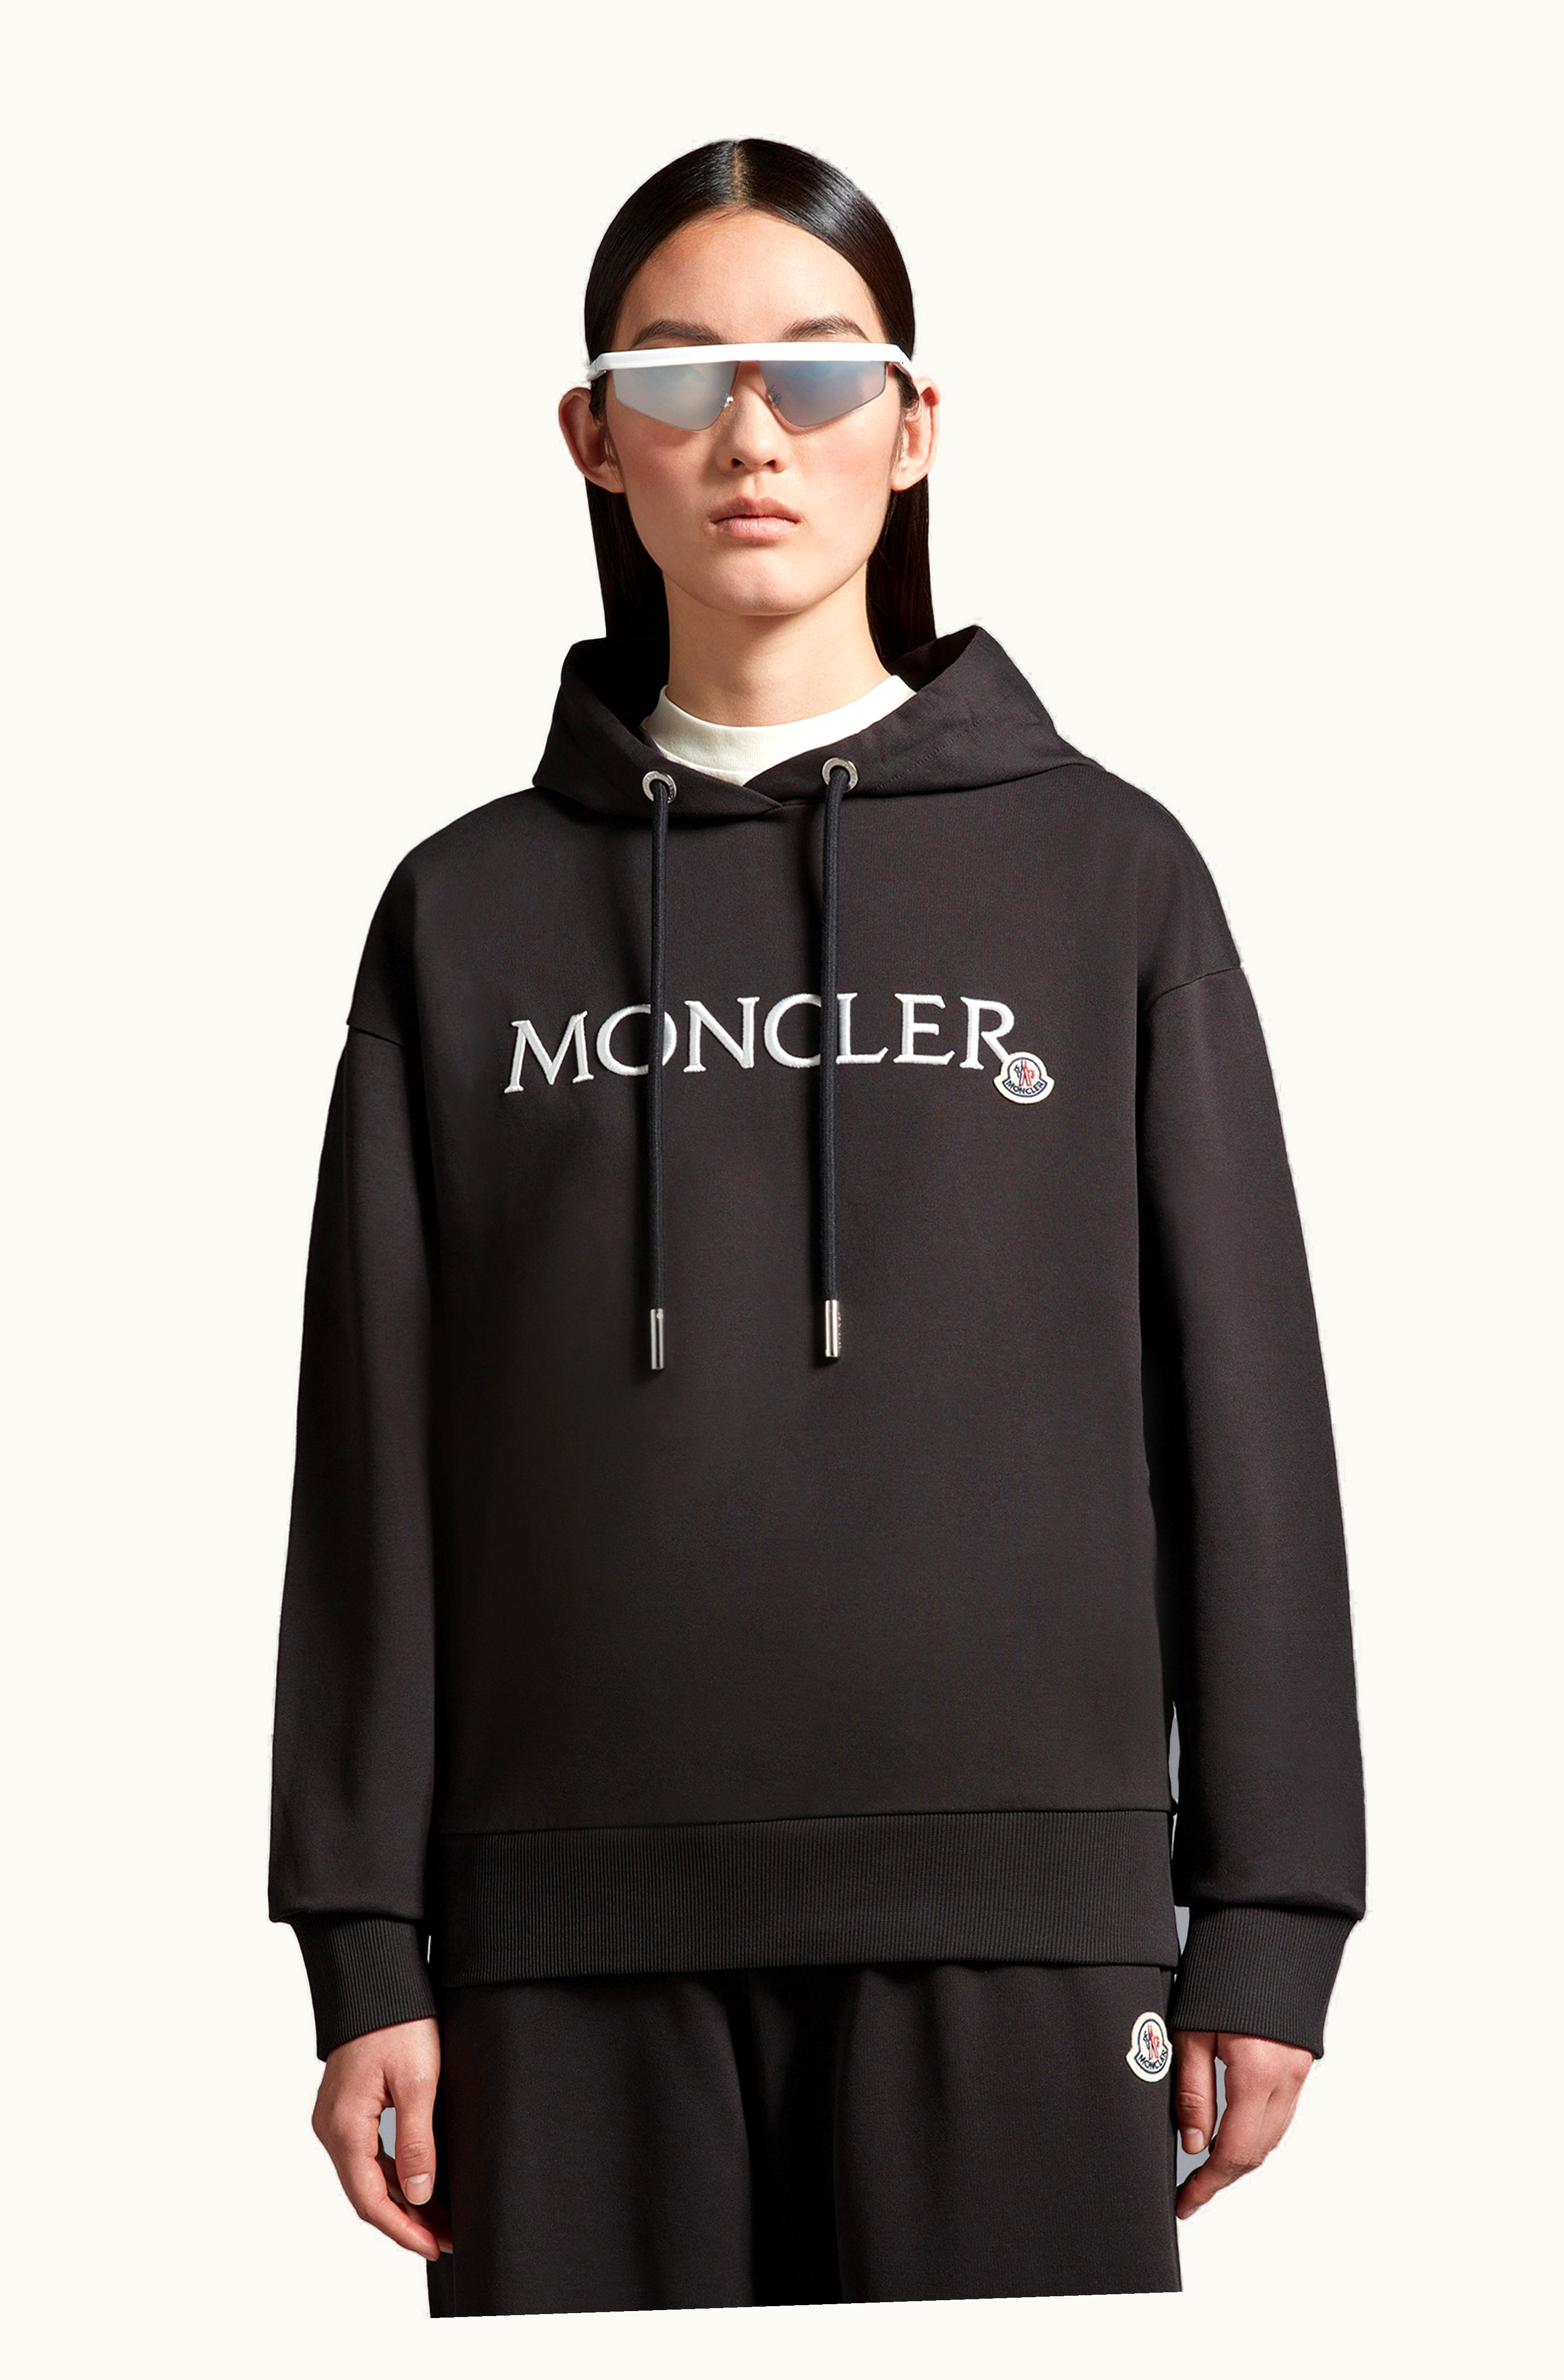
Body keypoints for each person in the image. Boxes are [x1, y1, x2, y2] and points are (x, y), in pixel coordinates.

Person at [268, 138, 1365, 2316]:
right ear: (594, 437)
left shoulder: (1109, 878)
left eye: (818, 368)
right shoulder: (464, 915)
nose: (751, 433)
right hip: (560, 1937)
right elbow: (372, 1450)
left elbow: (1243, 1408)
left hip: (1025, 1924)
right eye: (678, 376)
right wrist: (362, 1938)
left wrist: (1272, 1914)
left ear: (915, 421)